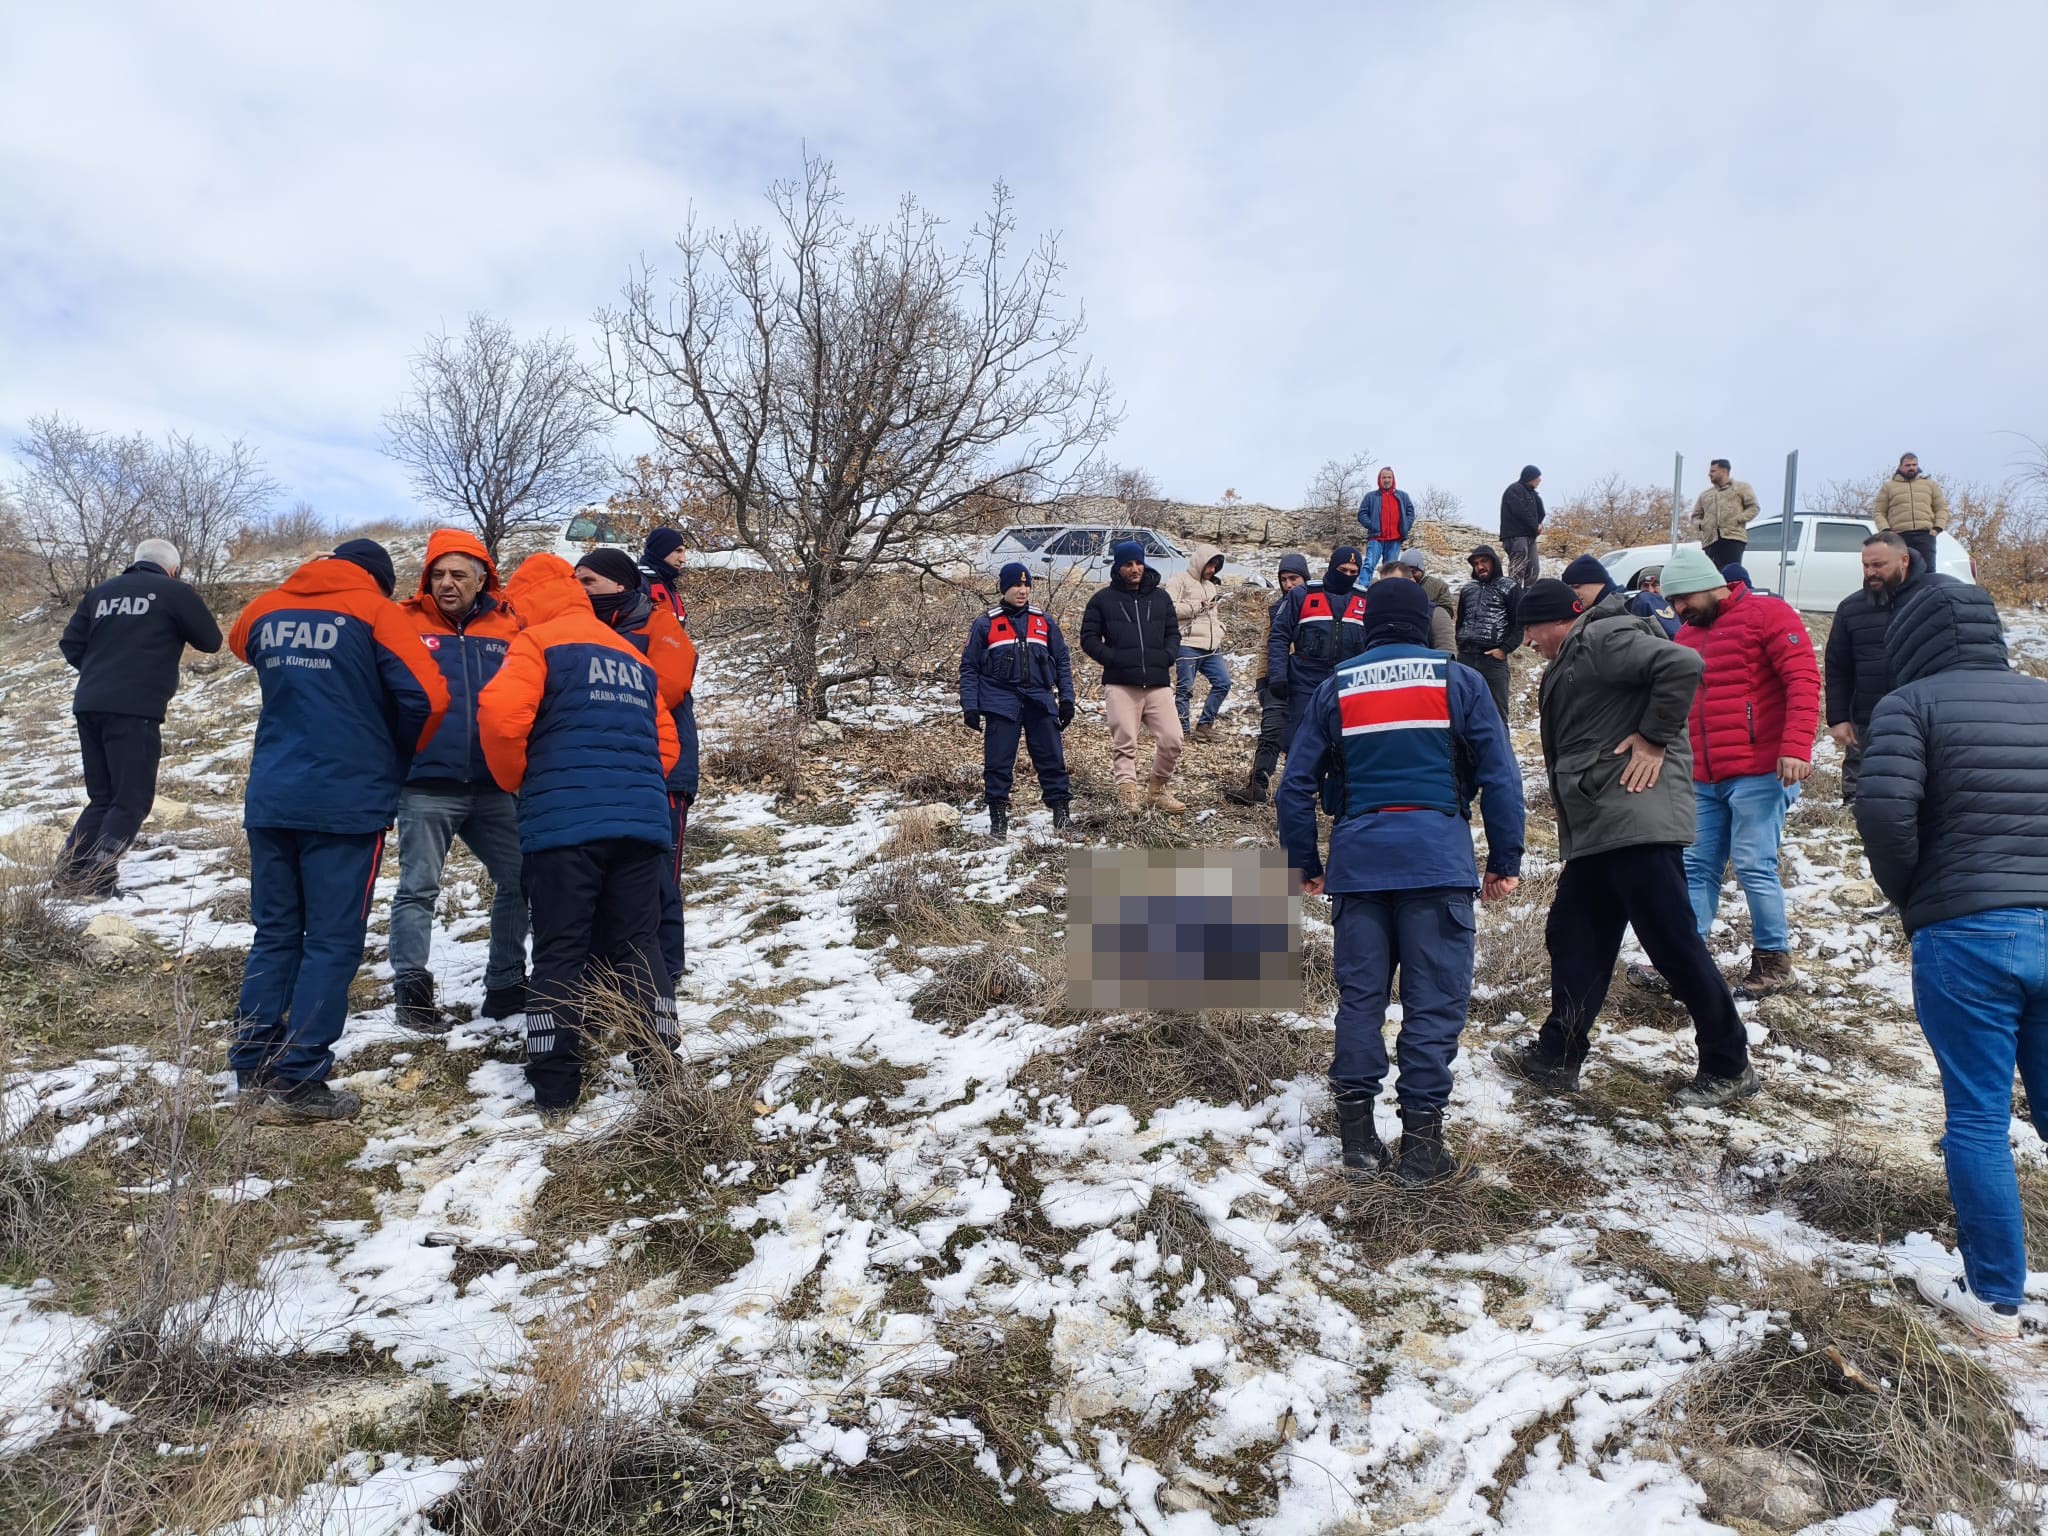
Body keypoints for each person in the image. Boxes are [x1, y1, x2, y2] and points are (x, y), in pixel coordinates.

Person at [1277, 580, 1525, 1185]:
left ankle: (1358, 1142)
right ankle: (1421, 1146)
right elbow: (1500, 775)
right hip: (1437, 862)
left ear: (1368, 627)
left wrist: (1304, 863)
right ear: (1424, 624)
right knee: (1433, 1003)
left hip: (1359, 864)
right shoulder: (1459, 680)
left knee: (1360, 1000)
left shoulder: (1337, 685)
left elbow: (1295, 786)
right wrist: (1505, 859)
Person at [1856, 581, 2048, 1339]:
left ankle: (1998, 1300)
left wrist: (1915, 893)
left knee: (1976, 1117)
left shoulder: (1911, 705)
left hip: (1966, 930)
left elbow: (1882, 812)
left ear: (1911, 640)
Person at [1492, 579, 1759, 1107]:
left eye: (1531, 628)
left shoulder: (1605, 636)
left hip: (1635, 821)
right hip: (1602, 825)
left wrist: (1655, 738)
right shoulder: (1580, 650)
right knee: (1574, 936)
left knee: (1671, 944)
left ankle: (1730, 1064)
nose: (1527, 641)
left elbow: (1682, 666)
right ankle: (1557, 1056)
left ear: (1557, 620)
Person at [227, 540, 450, 1125]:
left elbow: (237, 644)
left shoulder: (266, 608)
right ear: (376, 578)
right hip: (347, 799)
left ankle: (253, 1066)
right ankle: (300, 1081)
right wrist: (393, 751)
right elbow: (428, 695)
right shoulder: (377, 612)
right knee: (331, 939)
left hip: (273, 794)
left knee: (275, 933)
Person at [478, 554, 681, 1122]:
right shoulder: (628, 654)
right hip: (641, 825)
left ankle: (556, 1086)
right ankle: (660, 1067)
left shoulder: (538, 644)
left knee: (560, 949)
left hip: (564, 827)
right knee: (639, 946)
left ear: (527, 603)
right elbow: (666, 745)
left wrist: (519, 778)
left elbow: (498, 717)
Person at [1657, 546, 1820, 998]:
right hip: (1703, 775)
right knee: (1695, 865)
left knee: (1753, 863)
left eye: (1681, 599)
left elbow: (1802, 680)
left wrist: (1795, 747)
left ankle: (1774, 960)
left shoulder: (1769, 614)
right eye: (1672, 603)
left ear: (1703, 584)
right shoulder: (1686, 636)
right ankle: (1686, 960)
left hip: (1762, 769)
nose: (1677, 610)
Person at [390, 531, 529, 1032]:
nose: (447, 584)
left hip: (494, 785)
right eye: (438, 574)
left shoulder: (510, 626)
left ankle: (507, 984)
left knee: (520, 877)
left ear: (481, 580)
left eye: (458, 575)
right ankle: (412, 991)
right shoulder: (403, 622)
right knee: (419, 887)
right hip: (426, 783)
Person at [55, 538, 223, 898]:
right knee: (130, 800)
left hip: (89, 703)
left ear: (136, 562)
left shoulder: (101, 592)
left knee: (102, 797)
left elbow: (70, 644)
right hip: (136, 709)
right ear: (173, 568)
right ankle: (97, 881)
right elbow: (211, 640)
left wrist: (102, 672)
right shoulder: (175, 592)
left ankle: (69, 877)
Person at [574, 547, 698, 990]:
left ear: (621, 584)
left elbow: (670, 685)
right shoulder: (583, 629)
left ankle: (667, 969)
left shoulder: (658, 623)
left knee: (660, 872)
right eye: (576, 581)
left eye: (589, 581)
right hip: (608, 769)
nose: (580, 590)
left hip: (663, 768)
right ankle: (614, 971)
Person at [1823, 532, 1945, 804]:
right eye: (1866, 565)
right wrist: (1839, 717)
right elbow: (1837, 666)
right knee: (1869, 795)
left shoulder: (1936, 599)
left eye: (1878, 565)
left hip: (1926, 717)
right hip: (1869, 717)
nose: (1870, 572)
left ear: (1904, 560)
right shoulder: (1851, 608)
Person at [959, 562, 1075, 838]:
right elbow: (969, 667)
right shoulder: (986, 622)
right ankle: (998, 821)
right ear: (1004, 588)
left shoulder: (1043, 620)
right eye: (1016, 585)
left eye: (1026, 585)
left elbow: (1061, 660)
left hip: (1039, 699)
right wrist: (970, 705)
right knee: (998, 763)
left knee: (1052, 759)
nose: (1022, 591)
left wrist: (1067, 698)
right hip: (1000, 701)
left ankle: (1062, 816)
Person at [1079, 539, 1185, 812]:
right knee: (1125, 742)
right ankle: (1128, 795)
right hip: (1121, 684)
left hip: (1158, 682)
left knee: (1173, 739)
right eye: (1128, 564)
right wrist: (1113, 659)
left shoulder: (1160, 598)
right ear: (1118, 566)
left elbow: (1173, 633)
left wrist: (1167, 656)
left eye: (1139, 562)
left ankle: (1157, 791)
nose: (1135, 568)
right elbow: (1089, 639)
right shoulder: (1102, 599)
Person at [637, 527, 702, 957]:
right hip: (656, 726)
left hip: (672, 726)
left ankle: (663, 955)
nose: (683, 557)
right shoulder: (644, 586)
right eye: (677, 550)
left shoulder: (670, 589)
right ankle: (660, 955)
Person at [1223, 552, 1310, 806]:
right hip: (1277, 681)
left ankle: (1301, 789)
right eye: (1283, 579)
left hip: (1307, 682)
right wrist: (1262, 680)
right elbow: (1267, 647)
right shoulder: (1277, 609)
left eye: (1293, 578)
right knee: (1270, 732)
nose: (1288, 585)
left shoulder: (1317, 607)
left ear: (1305, 577)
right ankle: (1257, 785)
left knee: (1304, 737)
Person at [1267, 546, 1370, 747]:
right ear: (1332, 567)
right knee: (1300, 741)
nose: (1347, 575)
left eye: (1353, 572)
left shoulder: (1365, 600)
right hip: (1305, 679)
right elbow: (1279, 636)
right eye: (1343, 570)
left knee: (1343, 744)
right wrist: (1278, 676)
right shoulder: (1302, 595)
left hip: (1349, 682)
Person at [1163, 543, 1231, 740]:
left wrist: (1220, 628)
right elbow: (1168, 608)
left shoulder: (1211, 585)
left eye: (1215, 567)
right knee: (1185, 688)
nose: (1212, 570)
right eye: (1209, 566)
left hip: (1211, 646)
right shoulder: (1179, 580)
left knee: (1223, 683)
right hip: (1187, 643)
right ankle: (1182, 731)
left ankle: (1205, 724)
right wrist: (1196, 607)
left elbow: (1211, 616)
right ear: (1200, 563)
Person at [1455, 545, 1522, 723]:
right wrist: (1460, 644)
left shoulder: (1510, 587)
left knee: (1497, 716)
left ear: (1494, 562)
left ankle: (1501, 751)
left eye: (1484, 561)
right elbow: (1460, 621)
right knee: (1461, 712)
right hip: (1466, 658)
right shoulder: (1468, 589)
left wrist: (1503, 650)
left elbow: (1519, 624)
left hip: (1493, 660)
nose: (1480, 566)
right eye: (1476, 563)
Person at [1871, 452, 1950, 575]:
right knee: (1901, 572)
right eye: (1908, 465)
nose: (1912, 467)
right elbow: (1879, 512)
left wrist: (1937, 528)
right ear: (1900, 466)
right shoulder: (1889, 487)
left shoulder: (1930, 485)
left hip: (1925, 536)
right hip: (1900, 536)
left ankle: (1926, 595)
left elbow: (1942, 508)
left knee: (1927, 574)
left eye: (1914, 464)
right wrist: (1887, 531)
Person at [1692, 459, 1761, 571]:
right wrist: (1701, 525)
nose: (1709, 474)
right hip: (1711, 541)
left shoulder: (1741, 488)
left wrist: (1739, 519)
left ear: (1724, 471)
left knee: (1732, 573)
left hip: (1733, 538)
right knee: (1713, 576)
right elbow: (1696, 516)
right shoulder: (1705, 495)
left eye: (1713, 471)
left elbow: (1754, 507)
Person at [1389, 554, 1457, 650]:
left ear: (1421, 570)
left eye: (1414, 571)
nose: (1411, 576)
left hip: (1431, 636)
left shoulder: (1439, 586)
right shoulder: (1395, 586)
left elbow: (1447, 611)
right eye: (1406, 572)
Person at [1357, 467, 1415, 574]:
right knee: (1369, 564)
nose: (1387, 480)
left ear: (1393, 479)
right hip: (1376, 538)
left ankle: (1387, 590)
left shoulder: (1403, 496)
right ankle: (1362, 589)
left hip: (1395, 540)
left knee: (1390, 570)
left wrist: (1406, 526)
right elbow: (1362, 514)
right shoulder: (1370, 496)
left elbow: (1410, 513)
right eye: (1384, 477)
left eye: (1389, 477)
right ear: (1379, 479)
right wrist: (1371, 525)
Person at [1499, 465, 1545, 585]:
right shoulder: (1514, 490)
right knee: (1518, 569)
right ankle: (1514, 597)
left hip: (1530, 537)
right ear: (1530, 477)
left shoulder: (1533, 494)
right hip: (1516, 536)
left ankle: (1528, 598)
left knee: (1534, 570)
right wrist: (1535, 525)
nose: (1540, 480)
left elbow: (1541, 512)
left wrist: (1539, 525)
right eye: (1537, 477)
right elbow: (1521, 512)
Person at [1623, 566, 1681, 638]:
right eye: (1645, 586)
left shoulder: (1681, 609)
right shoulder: (1632, 611)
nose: (1651, 590)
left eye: (1655, 585)